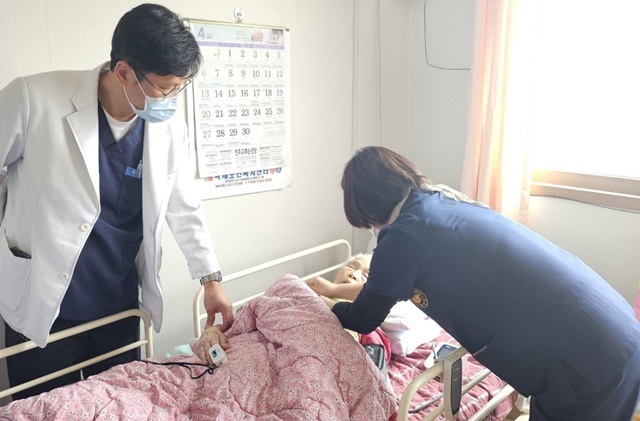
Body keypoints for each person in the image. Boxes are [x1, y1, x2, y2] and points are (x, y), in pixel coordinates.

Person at [0, 4, 233, 399]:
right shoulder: (32, 98)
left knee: (121, 403)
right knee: (44, 408)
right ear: (124, 71)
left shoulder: (167, 127)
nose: (172, 99)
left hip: (119, 303)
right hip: (44, 304)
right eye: (165, 89)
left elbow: (184, 204)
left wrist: (210, 280)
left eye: (179, 88)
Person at [328, 146, 640, 421]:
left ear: (366, 207)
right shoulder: (439, 201)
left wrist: (320, 301)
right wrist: (329, 289)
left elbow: (363, 317)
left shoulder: (403, 237)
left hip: (586, 364)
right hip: (615, 328)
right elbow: (385, 289)